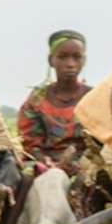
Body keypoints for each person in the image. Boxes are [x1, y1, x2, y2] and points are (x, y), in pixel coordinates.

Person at [16, 31, 93, 176]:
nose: (70, 64)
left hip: (85, 163)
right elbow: (30, 143)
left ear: (84, 61)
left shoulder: (94, 98)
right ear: (51, 60)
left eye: (77, 57)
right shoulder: (37, 99)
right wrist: (45, 162)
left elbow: (101, 140)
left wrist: (81, 163)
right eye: (62, 57)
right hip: (44, 162)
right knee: (25, 179)